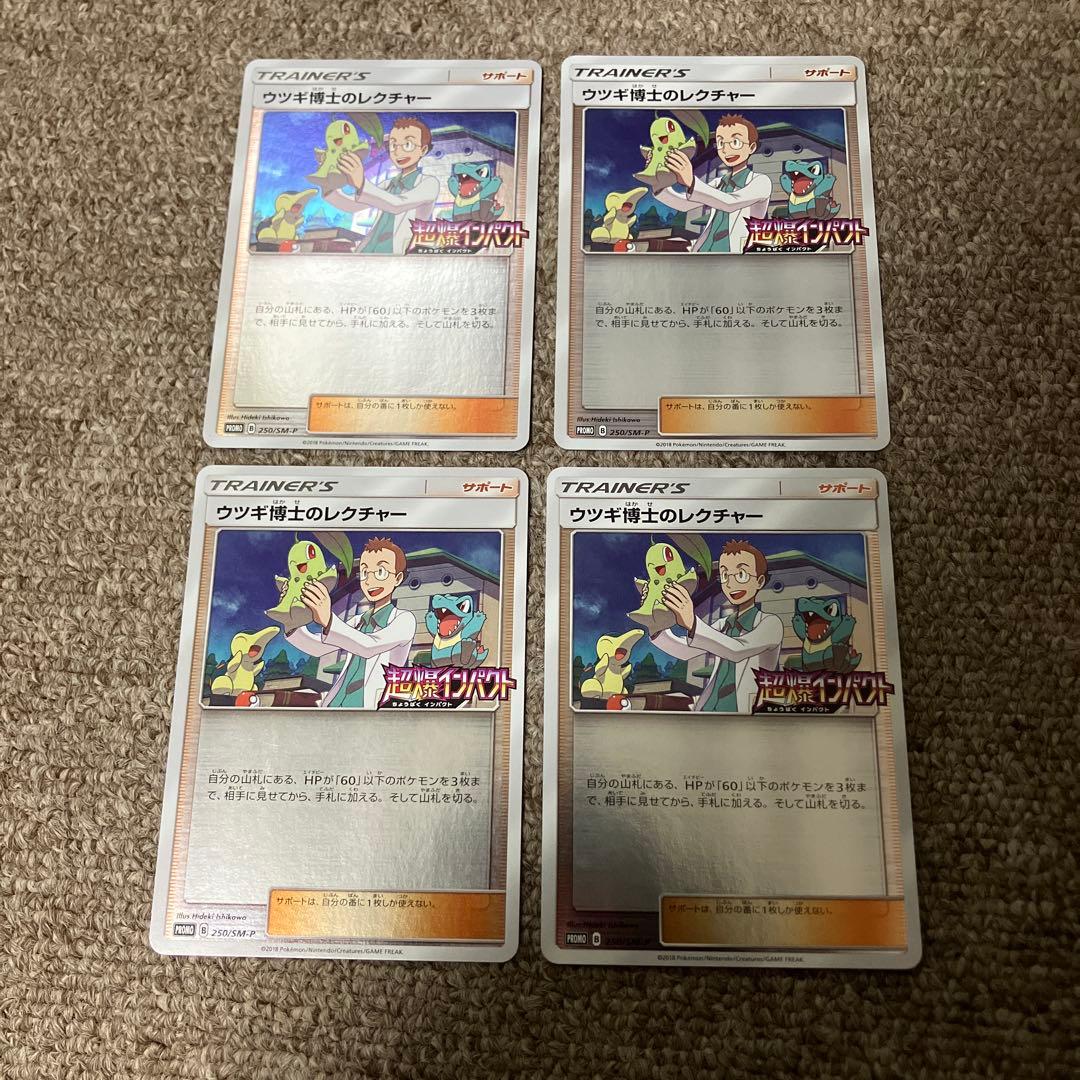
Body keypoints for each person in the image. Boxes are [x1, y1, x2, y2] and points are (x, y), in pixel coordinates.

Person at [651, 539, 783, 713]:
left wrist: (692, 623)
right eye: (725, 576)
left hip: (746, 713)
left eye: (741, 575)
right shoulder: (723, 624)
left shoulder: (771, 624)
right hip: (710, 709)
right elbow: (686, 650)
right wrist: (655, 625)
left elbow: (737, 650)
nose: (731, 584)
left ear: (759, 581)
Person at [285, 537, 416, 709]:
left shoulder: (404, 620)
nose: (370, 580)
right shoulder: (357, 621)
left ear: (397, 578)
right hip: (337, 704)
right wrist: (291, 621)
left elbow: (369, 646)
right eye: (364, 573)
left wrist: (328, 619)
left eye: (380, 572)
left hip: (371, 707)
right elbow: (318, 647)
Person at [653, 114, 772, 254]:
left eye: (735, 142)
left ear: (751, 147)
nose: (726, 150)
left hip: (736, 253)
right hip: (706, 250)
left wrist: (691, 181)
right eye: (721, 143)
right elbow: (684, 204)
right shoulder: (719, 183)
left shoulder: (761, 181)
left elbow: (730, 203)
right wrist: (658, 183)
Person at [325, 116, 440, 254]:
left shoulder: (429, 183)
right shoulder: (388, 184)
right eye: (393, 145)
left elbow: (397, 205)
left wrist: (361, 183)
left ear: (423, 150)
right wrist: (328, 186)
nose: (398, 151)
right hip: (369, 250)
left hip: (397, 253)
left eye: (407, 145)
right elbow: (353, 205)